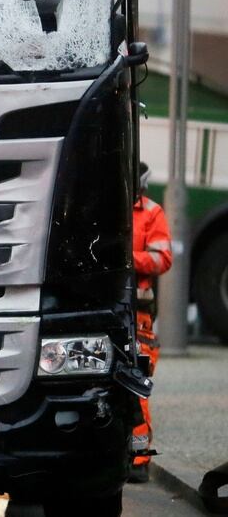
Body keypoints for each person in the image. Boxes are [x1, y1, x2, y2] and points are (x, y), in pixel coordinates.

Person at [129, 161, 173, 483]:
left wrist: (129, 258)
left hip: (138, 313)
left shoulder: (152, 213)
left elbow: (163, 258)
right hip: (110, 307)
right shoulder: (104, 207)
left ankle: (139, 459)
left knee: (136, 384)